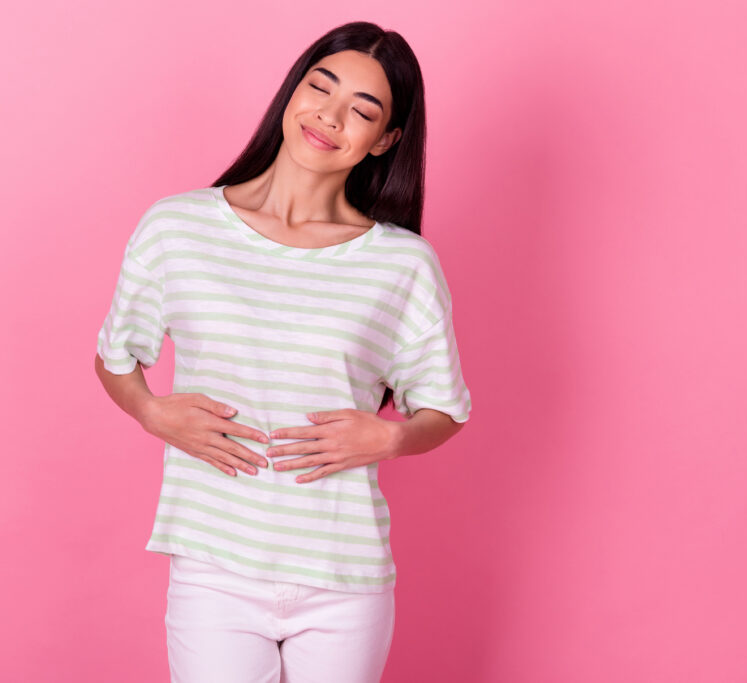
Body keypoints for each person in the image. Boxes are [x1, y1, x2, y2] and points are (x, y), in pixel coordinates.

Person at [93, 21, 472, 683]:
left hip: (342, 577)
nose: (329, 115)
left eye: (362, 109)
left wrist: (387, 438)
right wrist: (153, 413)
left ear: (384, 140)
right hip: (215, 566)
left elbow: (445, 409)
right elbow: (115, 354)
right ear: (291, 92)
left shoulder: (400, 264)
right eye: (320, 87)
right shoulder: (177, 227)